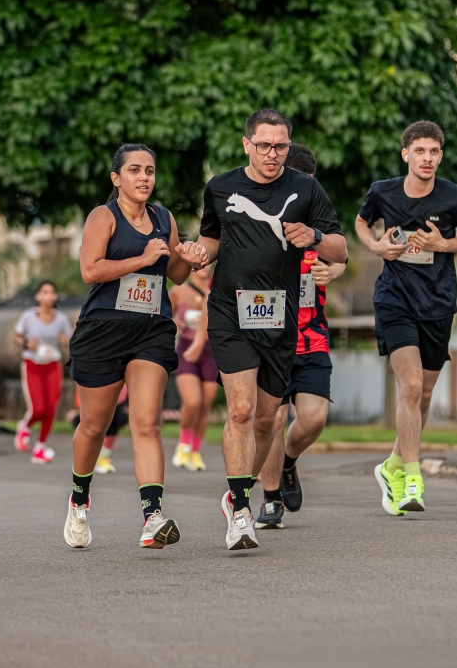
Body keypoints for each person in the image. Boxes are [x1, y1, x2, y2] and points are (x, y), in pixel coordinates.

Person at [193, 109, 346, 551]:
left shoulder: (306, 188)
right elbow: (211, 240)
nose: (272, 154)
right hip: (230, 312)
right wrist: (196, 254)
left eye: (280, 146)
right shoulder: (220, 187)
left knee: (265, 419)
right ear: (247, 145)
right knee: (241, 410)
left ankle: (237, 494)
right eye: (264, 145)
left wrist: (313, 237)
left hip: (280, 319)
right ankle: (241, 511)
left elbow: (340, 250)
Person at [64, 144, 207, 551]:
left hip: (151, 329)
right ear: (117, 178)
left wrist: (191, 258)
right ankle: (78, 500)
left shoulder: (164, 218)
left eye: (149, 170)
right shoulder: (103, 216)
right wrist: (142, 259)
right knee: (94, 426)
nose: (144, 177)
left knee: (146, 423)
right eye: (134, 170)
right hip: (103, 331)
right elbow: (90, 270)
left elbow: (175, 275)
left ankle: (152, 517)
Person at [355, 120, 457, 515]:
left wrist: (444, 243)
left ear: (440, 156)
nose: (427, 158)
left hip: (438, 303)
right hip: (395, 300)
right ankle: (412, 478)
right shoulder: (383, 191)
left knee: (423, 395)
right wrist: (376, 246)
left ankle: (392, 464)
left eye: (434, 151)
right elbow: (361, 222)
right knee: (410, 387)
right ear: (405, 153)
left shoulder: (453, 196)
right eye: (420, 151)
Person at [255, 144, 346, 528]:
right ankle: (270, 498)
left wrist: (332, 272)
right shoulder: (261, 217)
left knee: (313, 418)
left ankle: (289, 462)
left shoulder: (318, 221)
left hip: (312, 338)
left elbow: (340, 258)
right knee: (273, 419)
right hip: (269, 338)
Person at [14, 280, 71, 464]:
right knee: (39, 408)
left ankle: (40, 447)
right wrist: (26, 343)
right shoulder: (28, 317)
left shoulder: (61, 319)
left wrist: (66, 340)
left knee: (51, 408)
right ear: (38, 296)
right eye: (44, 292)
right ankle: (25, 426)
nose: (48, 296)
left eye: (51, 292)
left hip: (52, 364)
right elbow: (17, 336)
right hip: (33, 363)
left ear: (55, 296)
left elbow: (70, 339)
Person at [169, 265, 217, 471]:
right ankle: (184, 443)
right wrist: (174, 322)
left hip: (211, 351)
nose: (203, 267)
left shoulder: (215, 291)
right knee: (192, 401)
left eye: (207, 263)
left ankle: (195, 452)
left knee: (205, 405)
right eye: (199, 264)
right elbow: (164, 315)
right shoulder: (179, 291)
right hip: (186, 349)